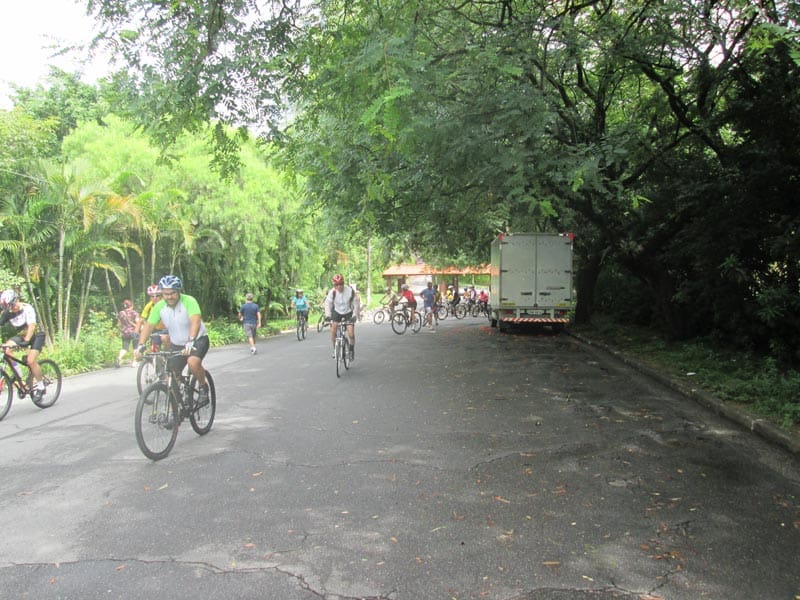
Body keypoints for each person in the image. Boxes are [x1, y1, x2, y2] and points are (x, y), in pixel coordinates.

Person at [135, 275, 210, 405]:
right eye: (165, 294)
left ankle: (203, 386)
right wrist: (140, 345)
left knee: (192, 362)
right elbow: (149, 326)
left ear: (178, 291)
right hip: (177, 344)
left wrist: (191, 340)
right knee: (170, 375)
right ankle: (175, 408)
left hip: (198, 339)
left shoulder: (189, 301)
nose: (169, 297)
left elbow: (195, 321)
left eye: (172, 293)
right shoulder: (159, 306)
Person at [0, 289, 46, 398]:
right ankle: (18, 375)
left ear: (17, 300)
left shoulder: (27, 308)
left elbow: (32, 326)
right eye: (9, 307)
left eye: (13, 305)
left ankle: (41, 387)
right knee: (7, 350)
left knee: (30, 360)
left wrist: (26, 341)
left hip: (36, 335)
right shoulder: (8, 312)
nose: (12, 309)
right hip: (22, 335)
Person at [324, 274, 359, 361]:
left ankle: (351, 350)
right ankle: (335, 349)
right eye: (337, 285)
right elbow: (328, 304)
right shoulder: (332, 292)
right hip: (337, 312)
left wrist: (355, 315)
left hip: (348, 312)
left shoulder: (350, 291)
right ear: (334, 285)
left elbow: (356, 303)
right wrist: (328, 316)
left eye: (341, 284)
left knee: (351, 334)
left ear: (343, 283)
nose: (339, 286)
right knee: (333, 331)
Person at [137, 284, 168, 349]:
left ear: (161, 296)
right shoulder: (149, 305)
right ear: (150, 297)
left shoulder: (166, 303)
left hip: (167, 329)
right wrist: (136, 333)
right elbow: (141, 320)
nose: (155, 298)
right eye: (152, 296)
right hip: (155, 329)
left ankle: (170, 353)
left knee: (165, 339)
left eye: (157, 295)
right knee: (153, 348)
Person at [116, 299, 139, 368]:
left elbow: (119, 324)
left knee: (124, 348)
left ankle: (119, 358)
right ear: (131, 306)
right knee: (135, 348)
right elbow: (138, 322)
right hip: (134, 332)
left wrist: (123, 328)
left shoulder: (121, 313)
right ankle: (134, 362)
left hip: (125, 333)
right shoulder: (134, 313)